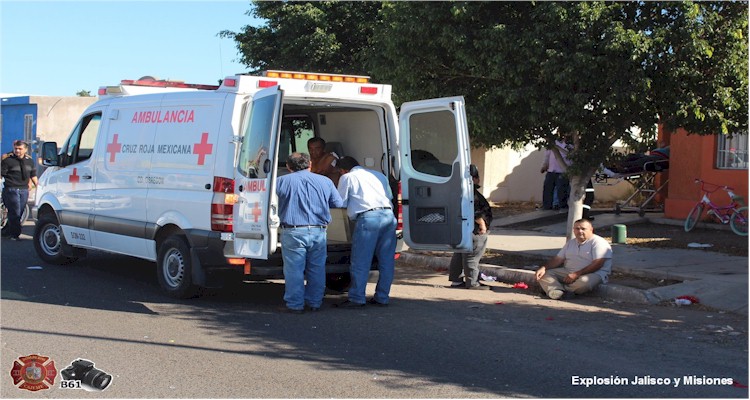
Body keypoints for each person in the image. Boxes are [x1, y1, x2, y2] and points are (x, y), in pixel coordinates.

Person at [276, 152, 344, 313]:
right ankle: (314, 302)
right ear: (310, 164)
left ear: (288, 167)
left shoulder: (281, 181)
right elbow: (338, 203)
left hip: (293, 231)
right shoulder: (325, 181)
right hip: (318, 231)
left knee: (294, 270)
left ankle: (295, 305)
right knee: (317, 268)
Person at [334, 156, 397, 308]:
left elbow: (339, 201)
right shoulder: (379, 175)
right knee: (387, 261)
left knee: (361, 260)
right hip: (389, 216)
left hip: (368, 218)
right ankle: (382, 297)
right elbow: (389, 196)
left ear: (343, 170)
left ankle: (356, 298)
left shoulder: (347, 177)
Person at [535, 218, 612, 300]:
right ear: (574, 230)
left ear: (591, 229)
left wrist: (576, 274)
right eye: (577, 229)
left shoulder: (598, 242)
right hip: (569, 271)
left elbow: (598, 264)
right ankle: (558, 291)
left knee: (584, 283)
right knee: (543, 274)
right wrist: (544, 268)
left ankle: (559, 290)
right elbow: (558, 259)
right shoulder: (571, 243)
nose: (580, 231)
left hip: (593, 273)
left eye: (583, 229)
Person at [448, 165, 493, 290]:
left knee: (459, 254)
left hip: (462, 227)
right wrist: (482, 225)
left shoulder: (458, 190)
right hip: (474, 229)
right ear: (473, 178)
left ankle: (456, 281)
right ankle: (472, 283)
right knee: (472, 255)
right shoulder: (470, 192)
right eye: (477, 177)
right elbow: (474, 211)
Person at [2, 140, 38, 241]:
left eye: (20, 149)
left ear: (25, 150)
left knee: (20, 213)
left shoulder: (29, 161)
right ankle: (15, 235)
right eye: (16, 148)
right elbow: (1, 174)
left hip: (24, 190)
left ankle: (6, 231)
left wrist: (38, 186)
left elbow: (33, 175)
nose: (17, 150)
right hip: (11, 189)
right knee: (15, 212)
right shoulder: (7, 160)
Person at [540, 140, 571, 210]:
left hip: (563, 171)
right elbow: (547, 155)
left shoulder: (570, 145)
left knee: (561, 189)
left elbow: (571, 157)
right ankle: (547, 206)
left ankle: (562, 206)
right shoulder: (553, 142)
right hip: (551, 170)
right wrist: (545, 165)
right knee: (548, 188)